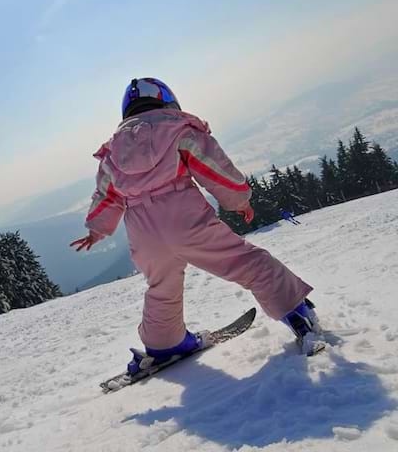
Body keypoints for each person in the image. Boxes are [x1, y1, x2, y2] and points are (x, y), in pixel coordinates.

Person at [70, 78, 319, 374]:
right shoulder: (178, 129)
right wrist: (239, 199)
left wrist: (97, 228)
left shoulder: (113, 151)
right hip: (184, 218)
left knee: (161, 287)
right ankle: (295, 311)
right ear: (167, 99)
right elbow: (212, 167)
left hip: (142, 231)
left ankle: (165, 345)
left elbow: (105, 193)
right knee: (245, 261)